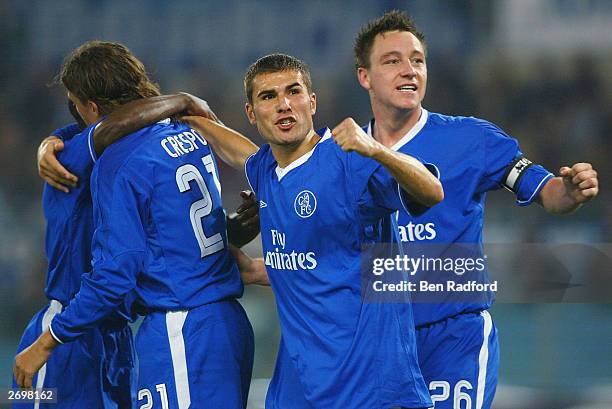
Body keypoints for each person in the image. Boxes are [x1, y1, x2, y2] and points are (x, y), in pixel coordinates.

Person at [353, 11, 600, 409]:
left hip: (455, 336)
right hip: (377, 340)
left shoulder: (472, 139)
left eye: (417, 60)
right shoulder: (342, 152)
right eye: (392, 61)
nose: (409, 70)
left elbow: (549, 193)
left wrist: (569, 190)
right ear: (364, 76)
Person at [183, 53, 443, 409]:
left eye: (293, 91)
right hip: (299, 390)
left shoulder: (349, 160)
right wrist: (191, 116)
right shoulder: (266, 173)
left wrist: (377, 149)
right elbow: (242, 155)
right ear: (251, 113)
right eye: (268, 97)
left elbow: (431, 191)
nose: (284, 104)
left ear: (312, 102)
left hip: (372, 392)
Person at [14, 41, 256, 409]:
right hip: (76, 332)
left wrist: (229, 232)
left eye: (74, 101)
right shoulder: (186, 137)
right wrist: (183, 101)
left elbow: (124, 267)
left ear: (91, 106)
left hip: (122, 331)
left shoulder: (114, 159)